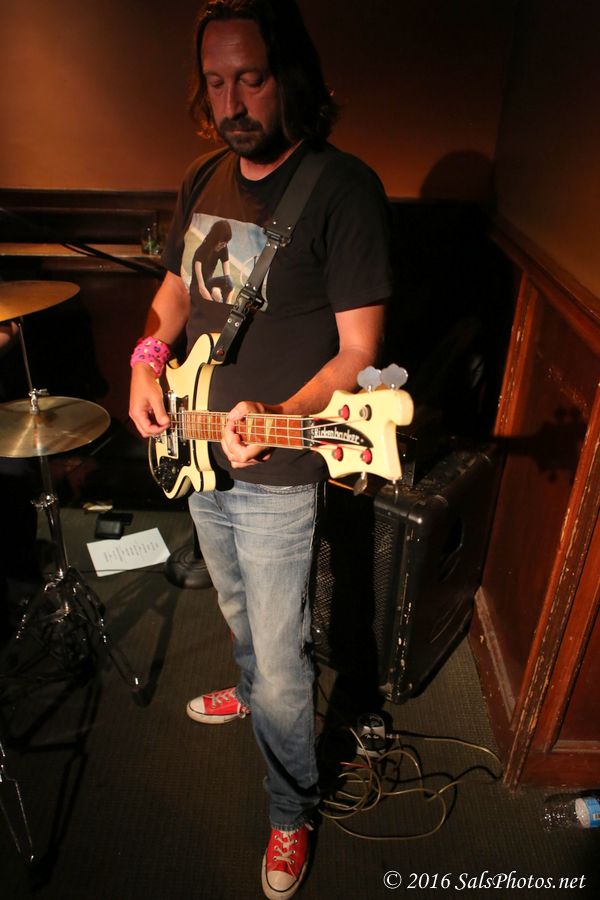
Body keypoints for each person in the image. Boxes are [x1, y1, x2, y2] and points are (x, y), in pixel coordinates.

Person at [129, 2, 393, 897]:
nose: (232, 101)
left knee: (284, 662)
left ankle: (290, 807)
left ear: (292, 76)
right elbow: (176, 291)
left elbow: (359, 351)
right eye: (215, 82)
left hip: (277, 462)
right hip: (200, 446)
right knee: (236, 608)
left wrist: (280, 409)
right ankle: (247, 690)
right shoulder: (202, 175)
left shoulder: (343, 188)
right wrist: (145, 358)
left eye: (251, 78)